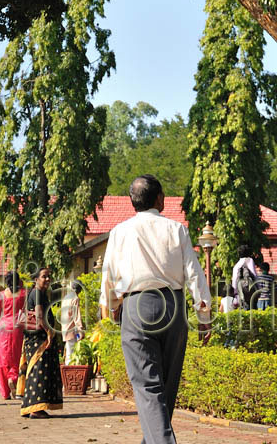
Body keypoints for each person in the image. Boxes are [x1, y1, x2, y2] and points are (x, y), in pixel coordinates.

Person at [99, 174, 211, 444]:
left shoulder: (120, 232)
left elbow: (109, 275)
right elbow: (194, 274)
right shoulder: (177, 229)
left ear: (132, 201)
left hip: (136, 307)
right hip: (173, 307)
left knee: (148, 388)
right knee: (165, 388)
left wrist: (112, 306)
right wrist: (204, 315)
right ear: (160, 199)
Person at [19, 265, 63, 419]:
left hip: (35, 337)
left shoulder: (37, 292)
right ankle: (36, 409)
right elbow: (39, 315)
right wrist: (49, 332)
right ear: (36, 279)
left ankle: (29, 407)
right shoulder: (37, 293)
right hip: (39, 338)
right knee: (39, 370)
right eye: (44, 276)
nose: (48, 279)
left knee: (35, 370)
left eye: (49, 276)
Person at [0, 271, 25, 401]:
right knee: (16, 356)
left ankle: (5, 393)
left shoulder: (1, 295)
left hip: (3, 329)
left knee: (3, 360)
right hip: (17, 328)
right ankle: (13, 378)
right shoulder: (24, 294)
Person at [60, 279, 84, 363]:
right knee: (72, 353)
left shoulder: (66, 297)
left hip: (65, 328)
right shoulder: (75, 298)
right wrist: (80, 330)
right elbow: (76, 316)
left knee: (69, 351)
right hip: (72, 329)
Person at [231, 244, 257, 309]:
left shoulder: (236, 266)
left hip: (240, 294)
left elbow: (234, 283)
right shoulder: (249, 260)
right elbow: (254, 275)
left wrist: (236, 296)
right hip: (250, 293)